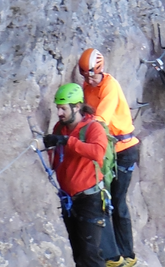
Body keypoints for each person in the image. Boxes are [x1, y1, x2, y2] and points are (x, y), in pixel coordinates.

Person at [80, 48, 141, 267]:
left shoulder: (109, 86)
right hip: (108, 150)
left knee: (117, 200)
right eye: (86, 75)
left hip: (123, 149)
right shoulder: (88, 86)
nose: (89, 79)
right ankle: (116, 256)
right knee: (107, 200)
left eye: (92, 74)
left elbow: (101, 119)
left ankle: (126, 254)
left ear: (100, 70)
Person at [46, 83, 109, 267]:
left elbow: (98, 152)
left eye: (63, 108)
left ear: (77, 107)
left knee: (90, 255)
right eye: (58, 108)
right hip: (68, 199)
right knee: (80, 255)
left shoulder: (93, 128)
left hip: (89, 199)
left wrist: (67, 141)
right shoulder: (60, 127)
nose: (59, 113)